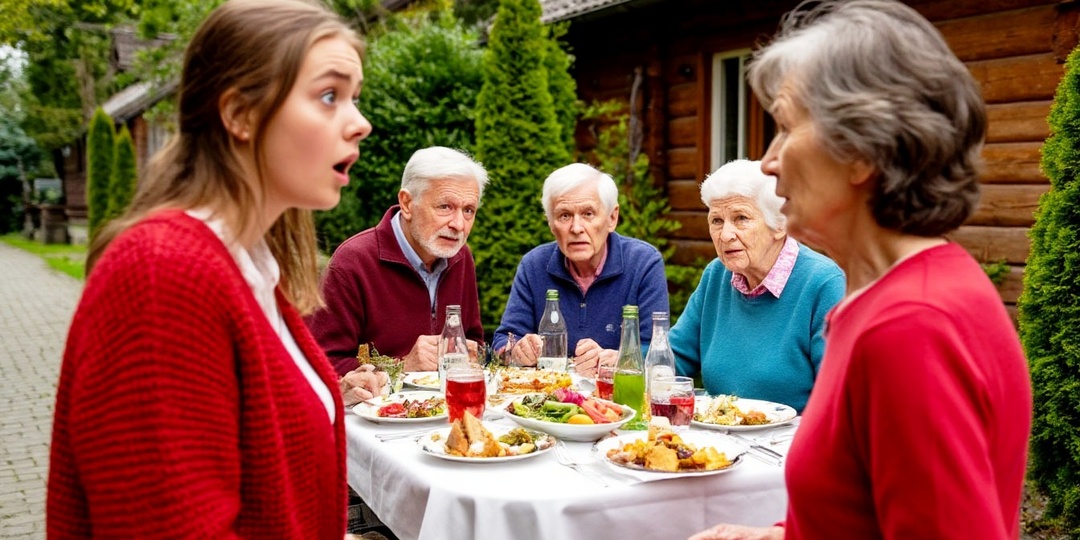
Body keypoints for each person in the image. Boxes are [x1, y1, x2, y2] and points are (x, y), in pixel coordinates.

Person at [690, 1, 1032, 539]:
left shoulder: (910, 325)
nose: (769, 161)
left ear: (861, 151)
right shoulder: (907, 292)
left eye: (782, 127)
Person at [47, 1, 385, 537]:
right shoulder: (162, 274)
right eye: (329, 95)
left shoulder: (252, 266)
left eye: (355, 98)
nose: (360, 123)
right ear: (239, 114)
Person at [670, 159, 843, 413]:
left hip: (787, 445)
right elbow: (673, 358)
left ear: (780, 224)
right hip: (718, 441)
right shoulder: (717, 274)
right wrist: (627, 363)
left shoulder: (823, 284)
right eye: (717, 221)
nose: (726, 235)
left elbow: (837, 397)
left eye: (741, 218)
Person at [308, 146, 487, 376]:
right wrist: (402, 366)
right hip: (372, 410)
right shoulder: (353, 262)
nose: (459, 225)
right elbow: (322, 364)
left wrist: (471, 353)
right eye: (445, 207)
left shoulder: (461, 257)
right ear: (407, 203)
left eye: (469, 210)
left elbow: (473, 339)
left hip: (446, 406)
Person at [493, 163, 669, 377]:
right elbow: (502, 342)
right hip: (548, 399)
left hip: (616, 399)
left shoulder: (643, 263)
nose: (576, 228)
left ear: (612, 218)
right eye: (564, 216)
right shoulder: (534, 265)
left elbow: (657, 350)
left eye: (588, 213)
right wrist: (516, 351)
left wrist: (619, 358)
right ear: (551, 223)